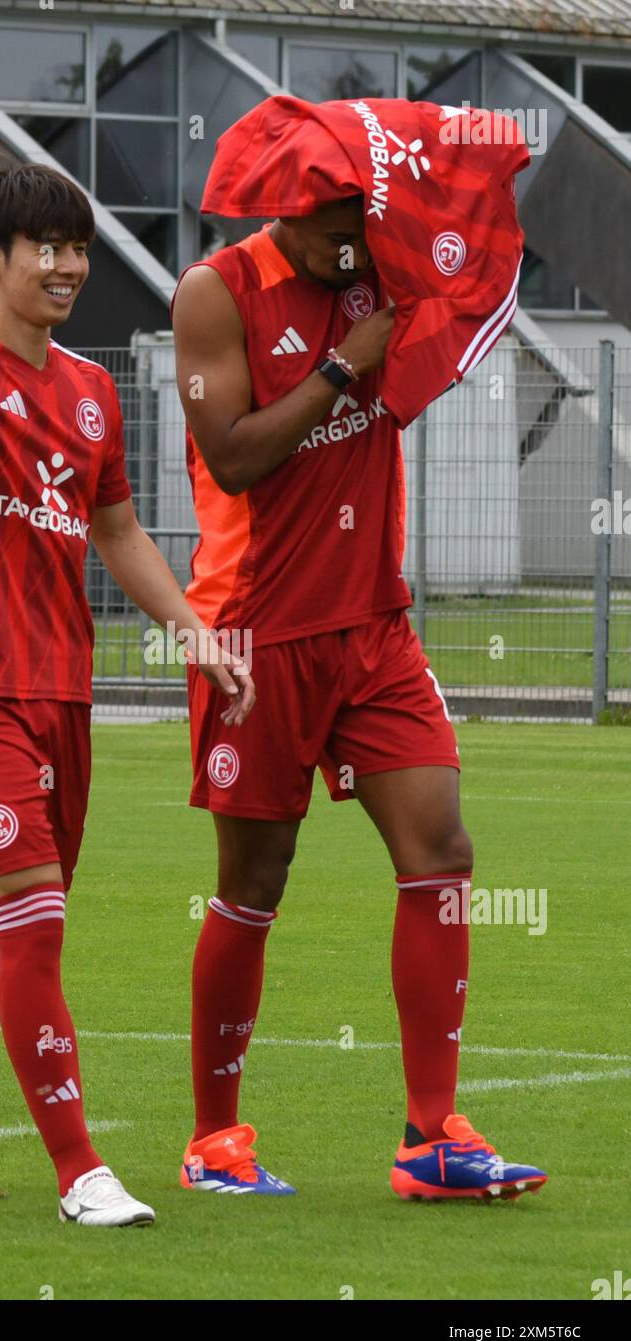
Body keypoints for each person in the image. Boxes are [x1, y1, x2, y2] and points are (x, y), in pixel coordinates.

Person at [0, 163, 254, 1228]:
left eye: (77, 246)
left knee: (9, 932)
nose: (68, 264)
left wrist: (195, 635)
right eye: (46, 246)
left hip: (60, 695)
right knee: (33, 922)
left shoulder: (92, 390)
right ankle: (81, 1172)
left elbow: (116, 531)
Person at [171, 196, 547, 1201]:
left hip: (373, 625)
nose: (349, 246)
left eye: (359, 223)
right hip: (254, 631)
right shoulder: (214, 294)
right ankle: (214, 1140)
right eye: (331, 227)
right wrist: (343, 363)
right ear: (280, 211)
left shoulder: (382, 273)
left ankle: (430, 1136)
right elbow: (232, 455)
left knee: (442, 851)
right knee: (255, 882)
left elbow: (468, 285)